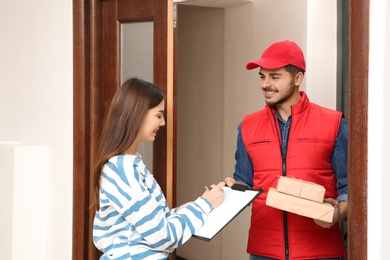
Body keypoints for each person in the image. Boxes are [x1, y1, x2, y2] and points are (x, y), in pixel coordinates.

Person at [225, 40, 348, 260]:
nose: (265, 84)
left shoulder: (334, 123)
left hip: (319, 252)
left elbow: (351, 187)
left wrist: (339, 211)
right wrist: (232, 189)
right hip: (264, 251)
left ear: (297, 78)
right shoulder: (247, 126)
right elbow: (244, 180)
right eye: (262, 77)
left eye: (275, 76)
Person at [92, 77, 225, 260]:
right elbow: (163, 237)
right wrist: (204, 205)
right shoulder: (121, 170)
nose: (162, 123)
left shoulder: (132, 165)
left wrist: (191, 207)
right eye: (158, 115)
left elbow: (149, 224)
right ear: (137, 114)